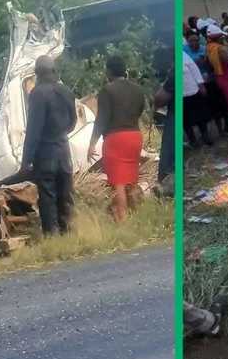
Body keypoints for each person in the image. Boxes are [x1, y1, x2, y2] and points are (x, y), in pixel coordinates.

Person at [21, 55, 77, 235]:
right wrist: (60, 134)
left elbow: (33, 130)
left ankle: (52, 236)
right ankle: (68, 232)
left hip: (46, 152)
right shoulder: (66, 91)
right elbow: (73, 122)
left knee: (48, 195)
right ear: (54, 71)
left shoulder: (37, 94)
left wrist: (26, 160)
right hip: (63, 150)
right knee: (65, 194)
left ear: (37, 74)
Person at [89, 55, 146, 223]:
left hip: (116, 138)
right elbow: (140, 110)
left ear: (109, 71)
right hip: (135, 136)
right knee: (132, 179)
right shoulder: (137, 89)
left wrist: (92, 143)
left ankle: (122, 220)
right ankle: (137, 217)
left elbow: (101, 119)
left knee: (118, 182)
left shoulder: (107, 90)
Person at [182, 42, 213, 148]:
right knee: (185, 121)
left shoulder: (183, 56)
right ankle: (192, 140)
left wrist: (201, 85)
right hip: (180, 97)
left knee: (201, 117)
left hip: (193, 91)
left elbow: (195, 70)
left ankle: (206, 137)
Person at [154, 67, 175, 194]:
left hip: (175, 117)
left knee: (169, 155)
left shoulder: (174, 74)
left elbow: (160, 98)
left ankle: (165, 190)